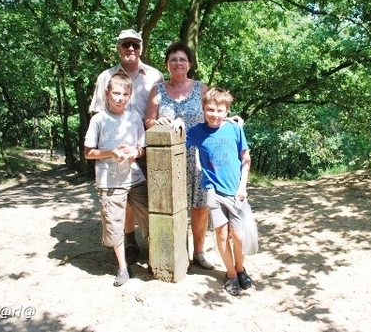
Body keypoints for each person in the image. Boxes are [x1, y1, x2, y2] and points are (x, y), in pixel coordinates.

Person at [90, 29, 164, 265]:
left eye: (135, 44)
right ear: (118, 47)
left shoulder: (155, 76)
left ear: (141, 47)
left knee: (149, 196)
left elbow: (163, 109)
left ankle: (156, 243)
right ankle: (130, 242)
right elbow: (98, 114)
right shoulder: (106, 77)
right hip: (116, 152)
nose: (130, 49)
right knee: (124, 198)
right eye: (125, 44)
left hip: (147, 145)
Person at [144, 42, 215, 270]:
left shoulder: (202, 89)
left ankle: (199, 252)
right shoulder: (158, 90)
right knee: (172, 206)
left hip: (198, 157)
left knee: (200, 206)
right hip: (167, 158)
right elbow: (148, 121)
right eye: (173, 59)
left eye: (182, 59)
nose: (178, 63)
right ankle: (176, 251)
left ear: (190, 64)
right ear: (167, 64)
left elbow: (215, 117)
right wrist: (157, 122)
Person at [180, 87, 253, 296]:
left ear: (227, 111)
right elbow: (180, 138)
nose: (215, 114)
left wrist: (243, 186)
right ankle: (230, 274)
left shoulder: (235, 129)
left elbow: (245, 158)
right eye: (210, 110)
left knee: (238, 236)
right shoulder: (197, 132)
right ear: (203, 109)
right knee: (222, 234)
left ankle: (240, 268)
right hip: (213, 191)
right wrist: (177, 123)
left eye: (220, 110)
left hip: (236, 191)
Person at [84, 73, 149, 286]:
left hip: (134, 177)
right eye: (116, 93)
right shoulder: (98, 120)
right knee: (114, 223)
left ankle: (153, 257)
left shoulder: (134, 119)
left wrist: (133, 153)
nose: (120, 98)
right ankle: (122, 267)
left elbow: (142, 148)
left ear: (130, 95)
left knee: (150, 216)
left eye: (125, 94)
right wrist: (111, 152)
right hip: (109, 181)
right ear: (107, 94)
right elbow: (88, 152)